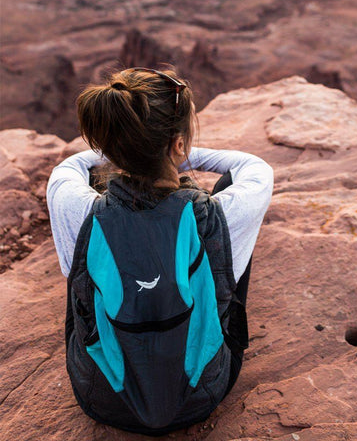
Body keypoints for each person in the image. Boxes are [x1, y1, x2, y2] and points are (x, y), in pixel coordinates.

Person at [46, 66, 274, 434]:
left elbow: (72, 166)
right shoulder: (223, 213)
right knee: (222, 229)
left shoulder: (72, 203)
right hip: (200, 396)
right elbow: (250, 166)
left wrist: (122, 150)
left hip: (100, 396)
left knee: (87, 261)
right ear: (178, 144)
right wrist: (180, 154)